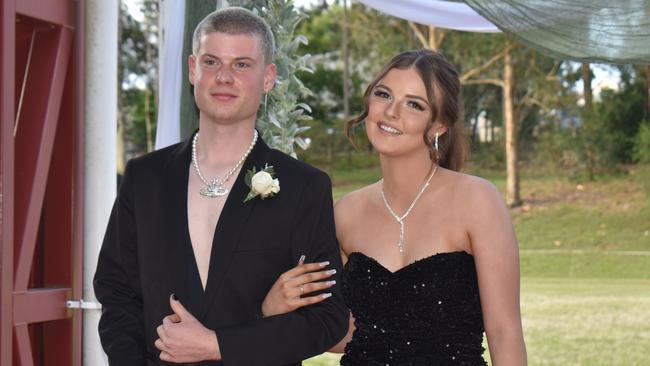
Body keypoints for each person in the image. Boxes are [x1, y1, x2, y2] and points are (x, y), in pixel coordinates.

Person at [93, 7, 348, 365]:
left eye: (242, 65)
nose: (224, 77)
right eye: (212, 62)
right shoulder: (144, 178)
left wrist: (218, 345)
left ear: (268, 77)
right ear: (193, 69)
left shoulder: (304, 187)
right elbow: (116, 292)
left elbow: (327, 319)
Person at [263, 49, 527, 365]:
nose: (391, 111)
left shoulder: (477, 201)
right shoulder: (346, 212)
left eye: (413, 104)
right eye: (384, 95)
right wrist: (278, 307)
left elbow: (504, 332)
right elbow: (343, 335)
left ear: (439, 125)